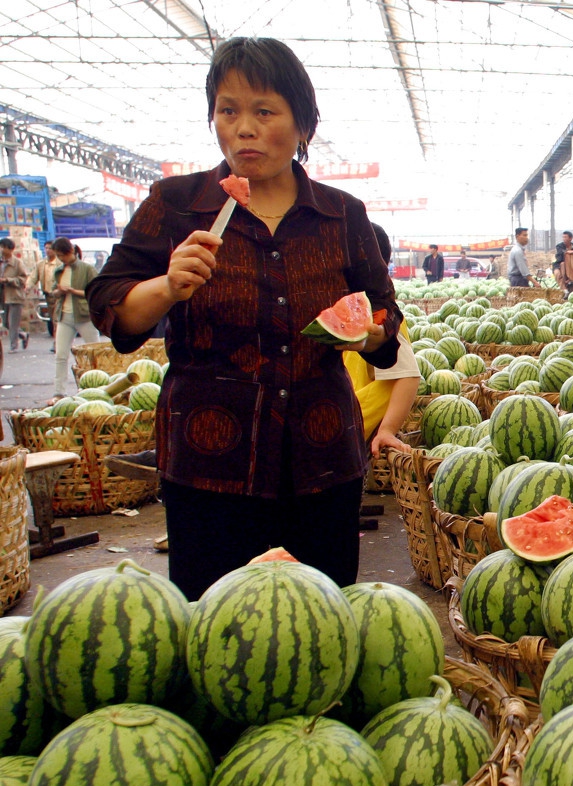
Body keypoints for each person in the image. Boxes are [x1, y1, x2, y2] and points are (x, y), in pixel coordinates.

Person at [86, 36, 401, 600]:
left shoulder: (342, 214)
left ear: (302, 125)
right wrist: (166, 285)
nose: (243, 127)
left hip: (322, 461)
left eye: (264, 111)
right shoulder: (176, 203)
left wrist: (373, 332)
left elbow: (382, 312)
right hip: (210, 465)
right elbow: (112, 308)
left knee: (321, 621)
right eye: (228, 110)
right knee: (212, 624)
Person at [345, 224, 417, 457]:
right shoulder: (348, 306)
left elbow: (409, 375)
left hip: (353, 423)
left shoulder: (381, 315)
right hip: (334, 415)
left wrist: (387, 430)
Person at [50, 237, 99, 400]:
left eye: (62, 255)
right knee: (61, 355)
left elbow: (95, 291)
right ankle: (59, 392)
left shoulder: (87, 269)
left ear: (70, 252)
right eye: (58, 256)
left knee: (94, 354)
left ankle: (97, 387)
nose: (60, 259)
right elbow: (53, 291)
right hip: (65, 316)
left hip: (85, 316)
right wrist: (58, 292)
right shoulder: (59, 271)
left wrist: (72, 290)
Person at [1, 238, 30, 353]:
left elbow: (23, 279)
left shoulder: (17, 263)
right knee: (6, 323)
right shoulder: (1, 262)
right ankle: (23, 334)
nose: (1, 249)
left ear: (10, 249)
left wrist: (7, 280)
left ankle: (14, 346)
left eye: (3, 247)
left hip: (14, 296)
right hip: (2, 296)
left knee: (13, 323)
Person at [28, 240, 57, 342]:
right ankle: (57, 341)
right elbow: (33, 277)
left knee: (57, 319)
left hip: (59, 295)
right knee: (53, 319)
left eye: (50, 248)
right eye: (46, 248)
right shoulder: (41, 264)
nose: (48, 250)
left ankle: (57, 342)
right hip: (48, 295)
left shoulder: (60, 263)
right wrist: (27, 287)